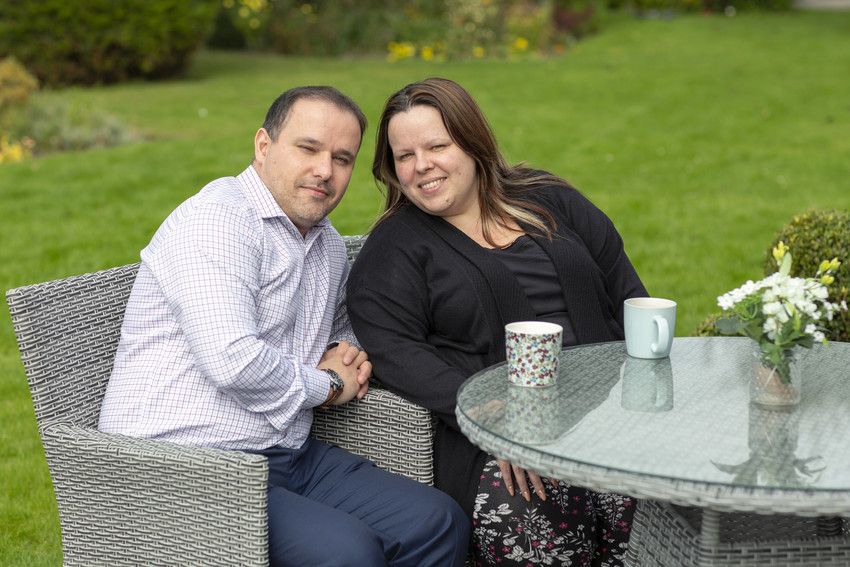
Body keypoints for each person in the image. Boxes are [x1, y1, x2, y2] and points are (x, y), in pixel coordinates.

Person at [98, 85, 470, 567]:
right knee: (346, 554)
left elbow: (346, 327)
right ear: (263, 146)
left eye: (342, 158)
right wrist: (329, 384)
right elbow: (234, 361)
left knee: (437, 522)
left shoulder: (325, 244)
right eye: (308, 148)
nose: (324, 171)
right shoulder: (220, 220)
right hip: (181, 464)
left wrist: (343, 348)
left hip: (285, 454)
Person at [346, 77, 648, 566]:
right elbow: (396, 350)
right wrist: (494, 419)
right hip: (503, 440)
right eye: (405, 156)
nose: (422, 166)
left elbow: (628, 293)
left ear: (472, 141)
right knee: (535, 513)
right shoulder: (396, 247)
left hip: (610, 409)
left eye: (437, 146)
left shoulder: (548, 198)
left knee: (665, 508)